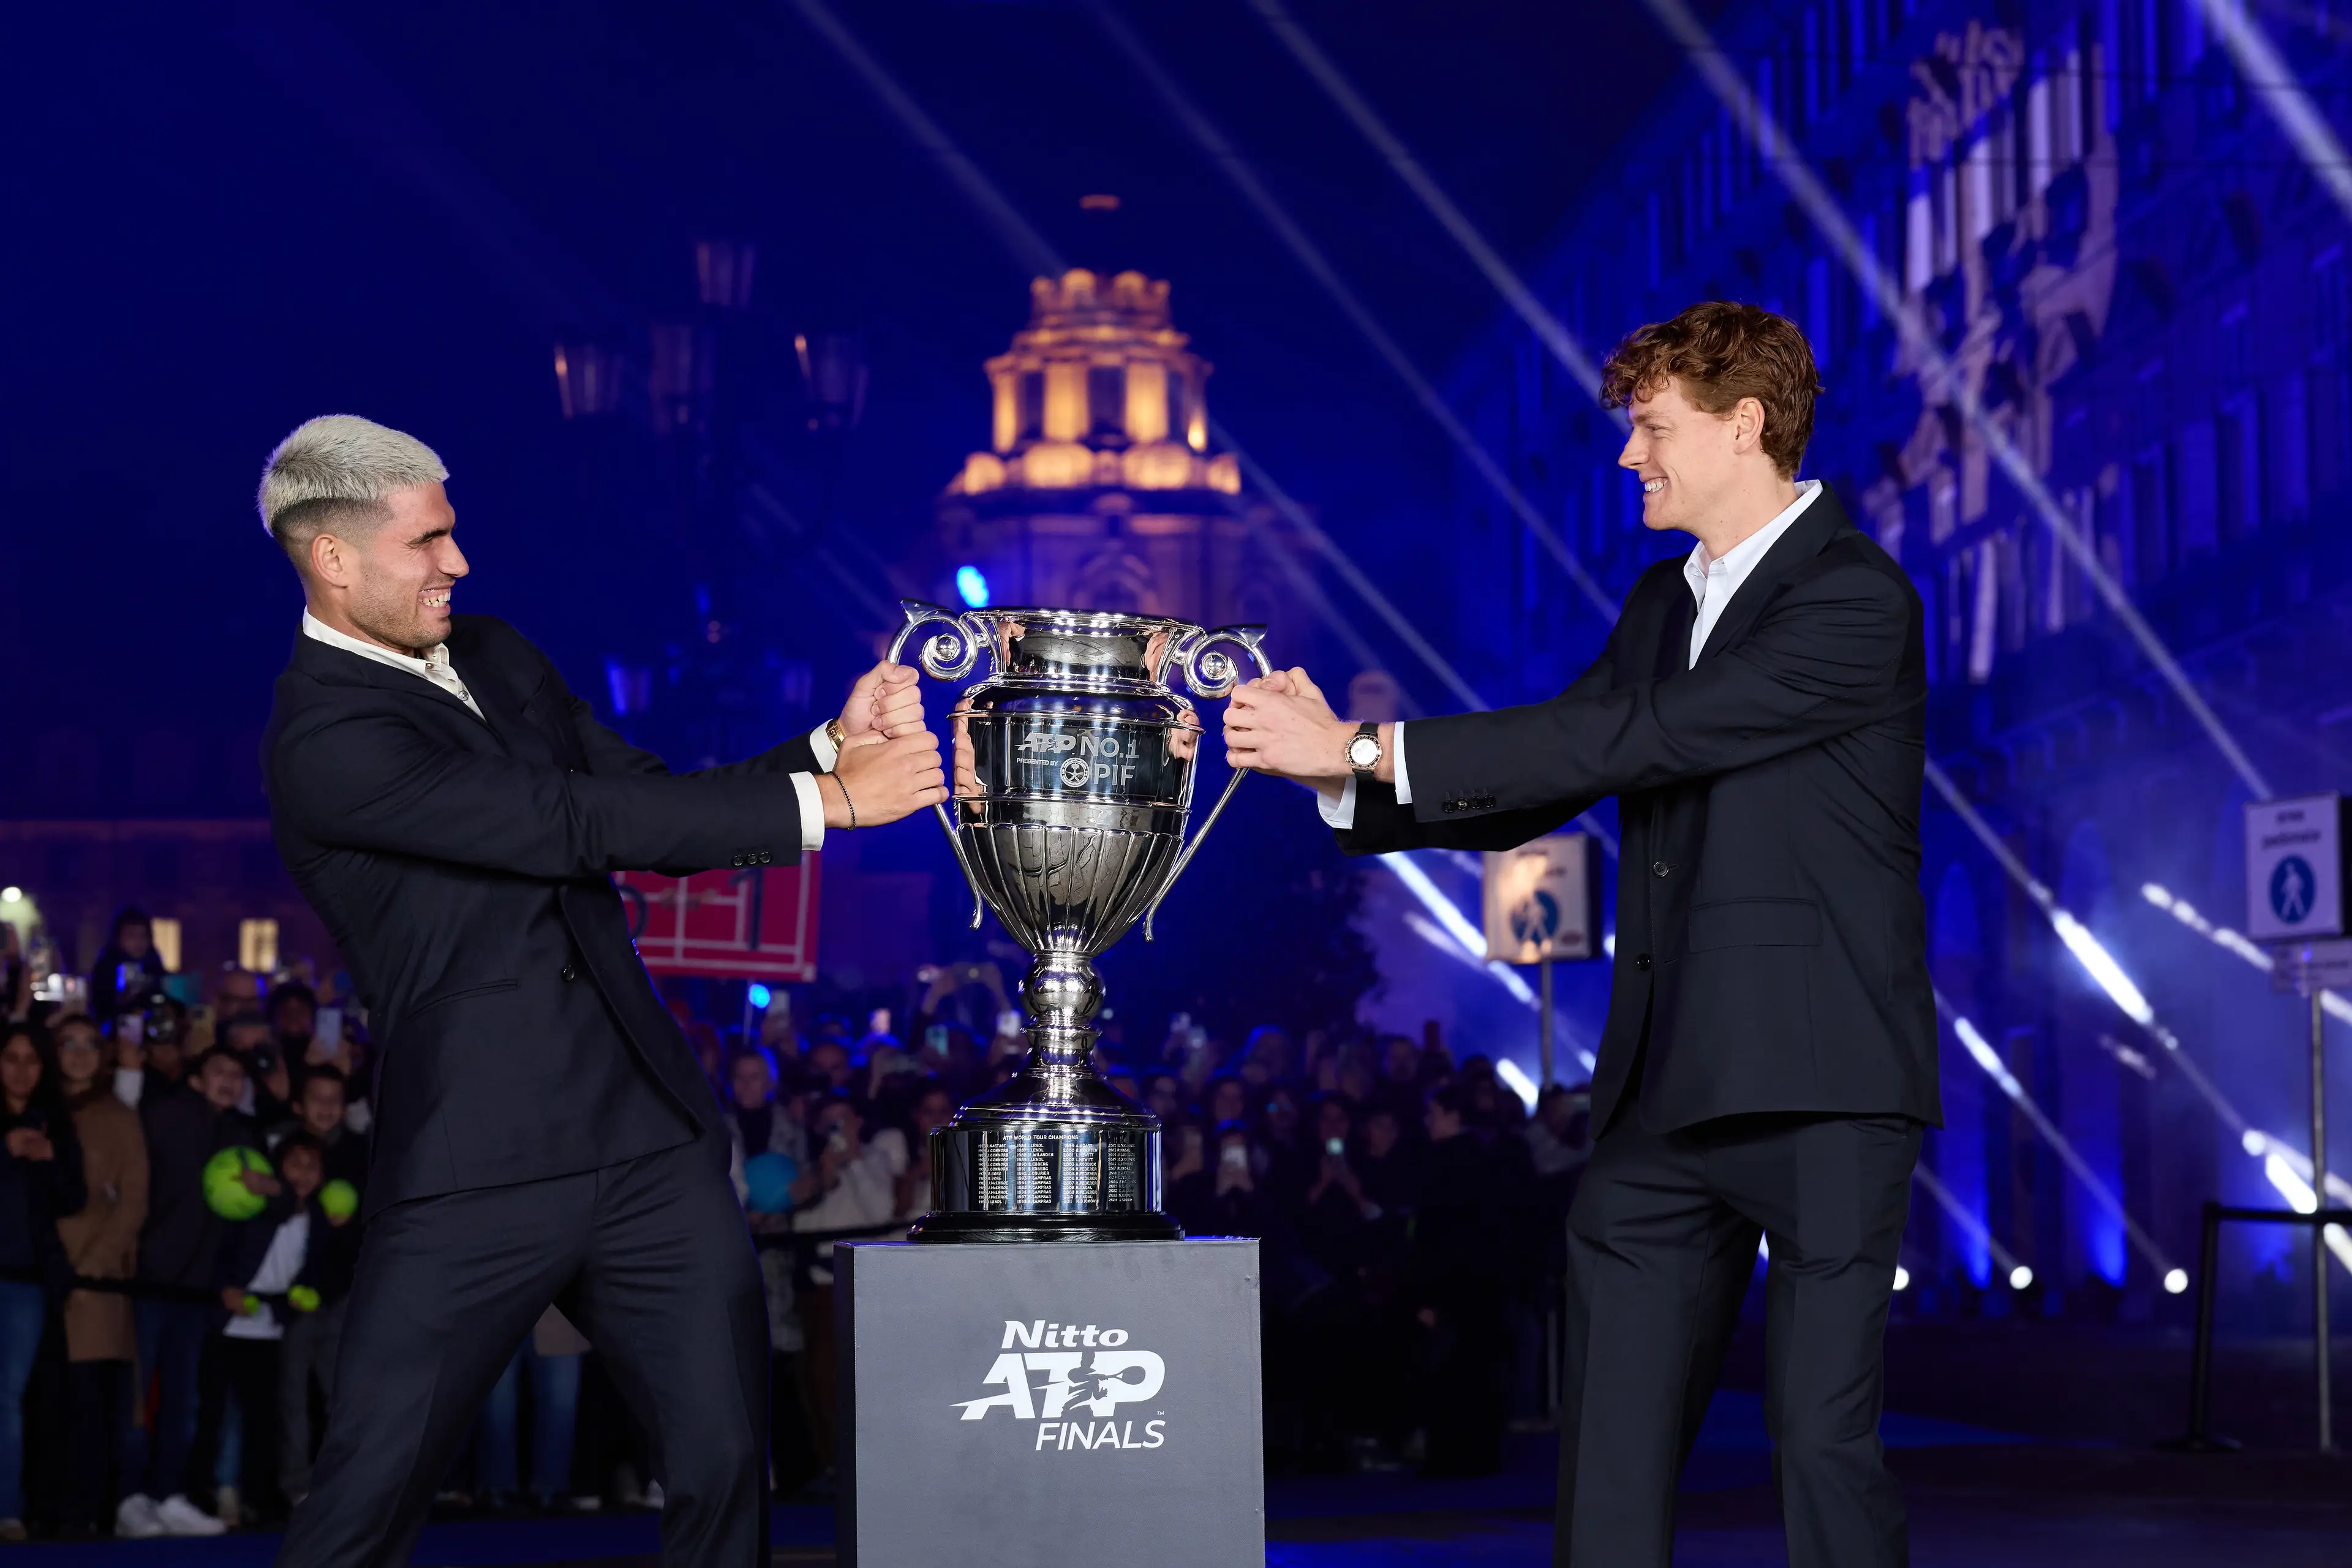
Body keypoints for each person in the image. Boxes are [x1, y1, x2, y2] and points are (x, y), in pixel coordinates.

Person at [1226, 301, 1932, 1565]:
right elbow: (1556, 768)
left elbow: (1641, 738)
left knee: (1821, 1443)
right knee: (1607, 1446)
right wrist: (1341, 780)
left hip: (1822, 1084)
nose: (1628, 458)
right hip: (1663, 1086)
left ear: (1745, 424)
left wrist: (1365, 745)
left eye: (1652, 429)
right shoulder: (1665, 599)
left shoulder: (1855, 597)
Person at [254, 415, 944, 1567]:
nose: (457, 561)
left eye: (454, 533)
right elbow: (567, 826)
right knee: (363, 1501)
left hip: (647, 1137)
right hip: (480, 1161)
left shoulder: (498, 651)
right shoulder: (324, 739)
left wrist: (827, 747)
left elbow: (648, 806)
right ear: (333, 556)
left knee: (727, 1468)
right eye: (428, 540)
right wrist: (837, 807)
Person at [120, 1047, 254, 1537]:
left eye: (238, 1075)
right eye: (220, 1072)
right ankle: (129, 1500)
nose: (230, 1081)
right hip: (148, 1281)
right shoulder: (166, 1116)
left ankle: (167, 1494)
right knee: (135, 1398)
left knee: (184, 1399)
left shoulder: (240, 1134)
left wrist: (269, 1191)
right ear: (197, 1080)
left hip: (198, 1292)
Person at [53, 1014, 149, 1537]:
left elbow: (133, 1202)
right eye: (68, 1043)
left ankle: (87, 1512)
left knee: (91, 1402)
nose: (80, 1053)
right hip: (39, 1275)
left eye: (91, 1043)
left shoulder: (117, 1115)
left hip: (97, 1282)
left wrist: (89, 1271)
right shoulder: (39, 1110)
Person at [0, 1022, 87, 1539]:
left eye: (31, 1060)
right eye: (10, 1058)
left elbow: (73, 1198)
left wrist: (49, 1161)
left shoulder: (53, 1122)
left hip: (28, 1281)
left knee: (9, 1397)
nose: (21, 1070)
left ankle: (8, 1507)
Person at [89, 909, 168, 1025]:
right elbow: (101, 1007)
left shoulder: (155, 969)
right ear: (118, 938)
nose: (138, 942)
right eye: (131, 936)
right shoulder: (105, 970)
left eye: (143, 936)